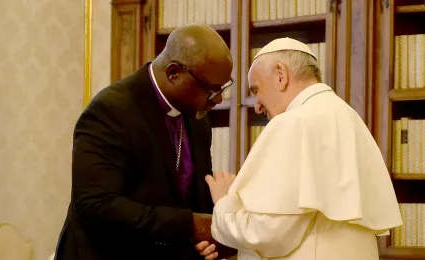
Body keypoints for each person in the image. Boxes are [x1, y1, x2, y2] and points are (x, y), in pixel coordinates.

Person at [198, 37, 403, 260]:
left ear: (280, 75)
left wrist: (224, 203)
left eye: (256, 89)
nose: (257, 105)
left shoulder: (292, 122)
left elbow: (267, 233)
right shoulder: (348, 116)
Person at [53, 24, 237, 260]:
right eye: (210, 90)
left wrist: (211, 235)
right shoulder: (111, 110)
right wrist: (190, 225)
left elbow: (192, 197)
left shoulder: (198, 120)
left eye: (222, 88)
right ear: (173, 73)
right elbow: (95, 204)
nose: (218, 99)